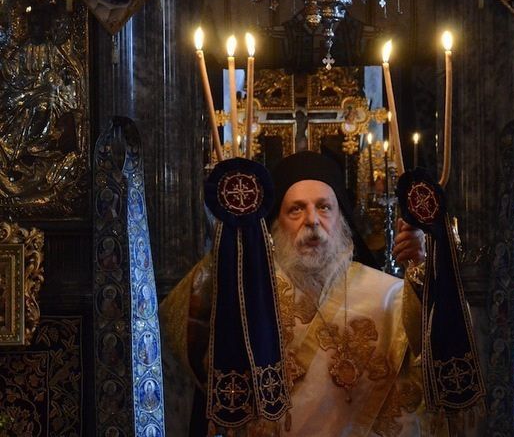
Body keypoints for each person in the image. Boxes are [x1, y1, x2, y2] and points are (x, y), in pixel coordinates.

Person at [161, 151, 432, 436]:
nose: (312, 220)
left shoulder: (387, 294)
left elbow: (433, 353)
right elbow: (173, 327)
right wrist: (231, 244)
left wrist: (423, 267)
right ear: (276, 222)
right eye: (296, 209)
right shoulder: (246, 292)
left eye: (324, 207)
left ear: (341, 218)